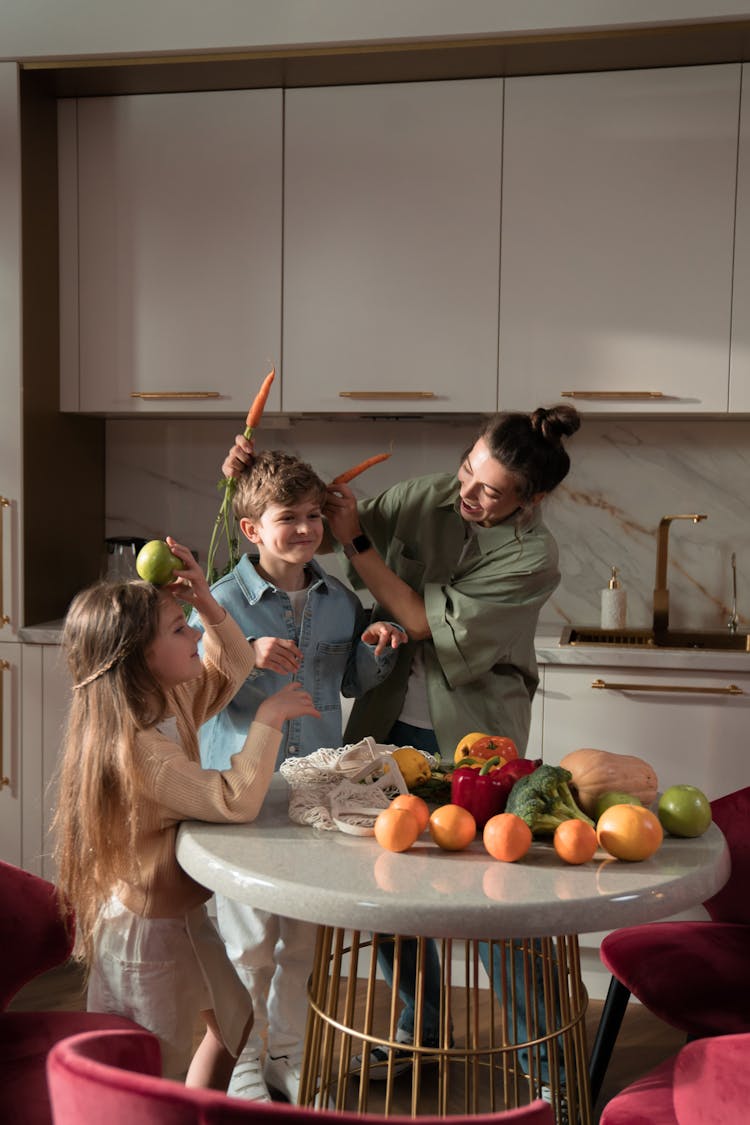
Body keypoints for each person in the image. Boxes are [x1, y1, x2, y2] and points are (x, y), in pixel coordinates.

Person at [221, 407, 580, 1094]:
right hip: (389, 725)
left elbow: (417, 619)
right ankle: (421, 1030)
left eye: (489, 491)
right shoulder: (431, 495)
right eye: (466, 470)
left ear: (529, 500)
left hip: (475, 736)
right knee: (387, 889)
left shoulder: (534, 557)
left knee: (497, 896)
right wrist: (246, 477)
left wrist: (359, 544)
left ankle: (549, 1070)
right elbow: (315, 520)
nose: (467, 494)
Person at [52, 537, 320, 1091]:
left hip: (178, 917)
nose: (196, 634)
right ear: (138, 658)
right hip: (145, 932)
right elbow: (232, 799)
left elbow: (232, 664)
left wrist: (205, 601)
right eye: (180, 629)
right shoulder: (140, 749)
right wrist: (268, 718)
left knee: (233, 1021)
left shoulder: (164, 699)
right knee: (152, 1062)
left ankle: (195, 1109)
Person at [192, 450, 408, 1102]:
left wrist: (376, 650)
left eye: (315, 515)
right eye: (291, 517)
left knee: (304, 942)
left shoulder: (341, 602)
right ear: (252, 528)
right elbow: (194, 694)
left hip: (317, 792)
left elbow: (347, 682)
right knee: (250, 941)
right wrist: (242, 654)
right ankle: (250, 1063)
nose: (309, 528)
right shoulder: (219, 604)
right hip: (242, 791)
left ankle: (290, 1055)